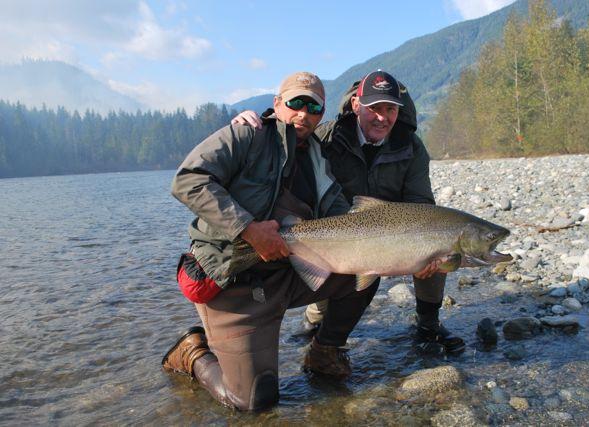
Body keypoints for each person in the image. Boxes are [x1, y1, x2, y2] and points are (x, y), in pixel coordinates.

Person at [162, 72, 383, 411]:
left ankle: (324, 352)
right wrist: (248, 229)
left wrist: (395, 251)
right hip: (234, 284)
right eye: (296, 103)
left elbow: (341, 219)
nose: (303, 114)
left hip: (285, 276)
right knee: (253, 403)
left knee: (366, 273)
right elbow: (188, 180)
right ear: (277, 104)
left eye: (313, 107)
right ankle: (192, 352)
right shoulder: (246, 134)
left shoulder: (319, 158)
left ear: (321, 113)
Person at [232, 70, 465, 355]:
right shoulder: (328, 136)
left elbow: (422, 206)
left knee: (437, 242)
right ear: (356, 105)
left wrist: (426, 250)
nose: (382, 117)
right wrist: (255, 121)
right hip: (336, 226)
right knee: (330, 258)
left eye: (390, 109)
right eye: (374, 108)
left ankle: (428, 323)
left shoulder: (411, 146)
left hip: (396, 226)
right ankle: (315, 320)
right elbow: (291, 132)